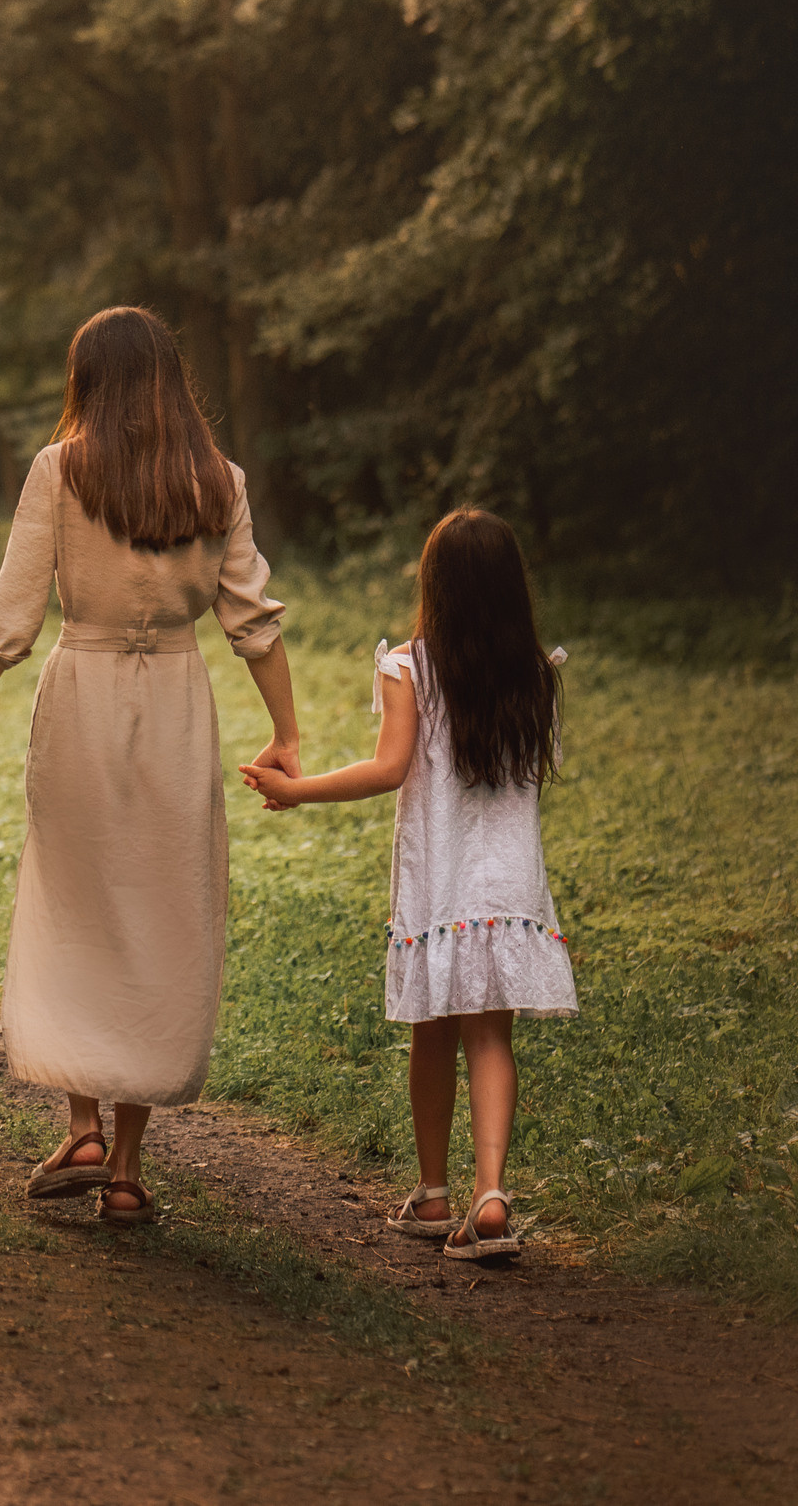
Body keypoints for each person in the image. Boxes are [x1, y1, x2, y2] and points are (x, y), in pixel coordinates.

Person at [0, 307, 299, 1225]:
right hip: (176, 705)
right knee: (160, 913)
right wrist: (286, 733)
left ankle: (83, 1126)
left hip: (82, 700)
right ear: (172, 379)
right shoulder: (219, 481)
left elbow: (11, 616)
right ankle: (126, 1169)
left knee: (77, 904)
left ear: (87, 381)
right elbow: (253, 623)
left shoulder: (61, 470)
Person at [240, 508, 573, 1260]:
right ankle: (491, 1193)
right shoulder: (535, 676)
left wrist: (298, 790)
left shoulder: (408, 670)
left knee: (432, 1031)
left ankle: (433, 1192)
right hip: (509, 886)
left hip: (440, 883)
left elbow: (389, 768)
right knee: (491, 1037)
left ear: (435, 587)